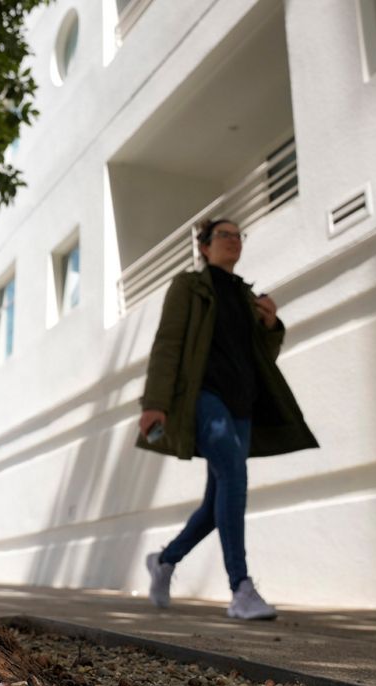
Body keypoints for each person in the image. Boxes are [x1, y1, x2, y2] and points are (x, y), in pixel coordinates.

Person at [136, 218, 317, 620]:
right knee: (234, 478)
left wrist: (271, 324)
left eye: (239, 236)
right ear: (204, 246)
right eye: (225, 235)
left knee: (217, 501)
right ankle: (241, 588)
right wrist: (154, 402)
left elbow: (261, 358)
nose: (234, 241)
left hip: (242, 405)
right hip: (203, 398)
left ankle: (164, 560)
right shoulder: (190, 286)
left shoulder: (247, 296)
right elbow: (167, 343)